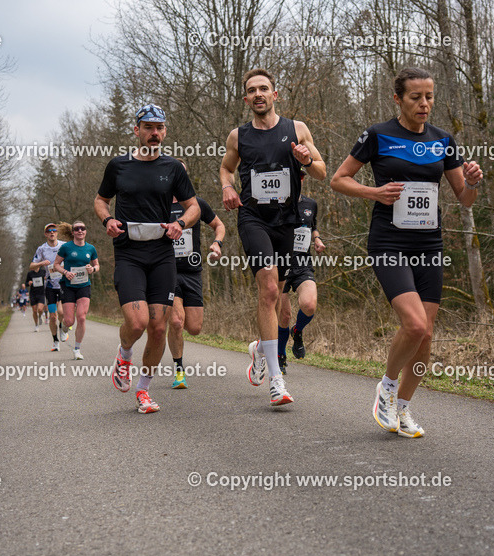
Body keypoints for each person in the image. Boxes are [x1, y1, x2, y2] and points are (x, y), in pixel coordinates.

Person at [331, 66, 483, 437]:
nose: (424, 104)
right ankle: (386, 386)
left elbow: (464, 199)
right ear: (398, 99)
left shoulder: (442, 140)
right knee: (413, 325)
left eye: (429, 96)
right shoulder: (378, 135)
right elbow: (338, 179)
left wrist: (475, 183)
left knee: (427, 334)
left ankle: (403, 408)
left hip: (429, 244)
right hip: (389, 242)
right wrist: (374, 193)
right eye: (416, 97)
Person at [220, 68, 326, 407]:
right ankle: (276, 381)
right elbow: (226, 167)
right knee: (268, 288)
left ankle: (259, 349)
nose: (258, 94)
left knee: (280, 289)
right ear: (246, 98)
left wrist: (307, 160)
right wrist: (227, 186)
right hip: (254, 219)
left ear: (275, 94)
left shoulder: (296, 129)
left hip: (289, 221)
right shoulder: (238, 136)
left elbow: (323, 171)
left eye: (264, 88)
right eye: (252, 90)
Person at [95, 104, 199, 413]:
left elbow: (193, 206)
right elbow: (101, 200)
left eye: (160, 128)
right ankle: (124, 354)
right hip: (129, 254)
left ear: (165, 131)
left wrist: (180, 223)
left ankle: (143, 391)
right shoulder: (118, 166)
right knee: (138, 323)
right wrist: (107, 220)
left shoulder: (173, 168)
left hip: (162, 254)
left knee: (158, 328)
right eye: (148, 127)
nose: (155, 133)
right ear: (137, 130)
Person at [167, 161, 225, 389]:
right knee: (176, 322)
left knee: (194, 327)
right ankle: (179, 370)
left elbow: (219, 225)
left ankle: (177, 352)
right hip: (167, 272)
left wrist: (217, 244)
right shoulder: (157, 205)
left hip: (192, 272)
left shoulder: (197, 205)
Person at [277, 186, 324, 374]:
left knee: (309, 304)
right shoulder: (276, 202)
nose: (300, 180)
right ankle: (280, 356)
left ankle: (297, 331)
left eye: (302, 176)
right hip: (279, 263)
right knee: (284, 315)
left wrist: (317, 239)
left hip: (303, 263)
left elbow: (313, 226)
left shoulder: (310, 204)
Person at [52, 221, 100, 360]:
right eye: (77, 229)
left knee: (82, 317)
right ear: (72, 232)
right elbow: (56, 265)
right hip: (68, 286)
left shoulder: (91, 248)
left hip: (84, 285)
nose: (80, 231)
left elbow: (97, 265)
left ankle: (77, 349)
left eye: (82, 228)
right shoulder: (66, 247)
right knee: (69, 321)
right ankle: (63, 327)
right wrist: (65, 272)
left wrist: (93, 269)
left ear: (86, 231)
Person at [30, 223, 65, 350]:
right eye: (49, 231)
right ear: (45, 234)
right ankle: (55, 340)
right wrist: (40, 263)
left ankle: (62, 326)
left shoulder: (64, 246)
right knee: (53, 316)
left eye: (54, 230)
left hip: (63, 284)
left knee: (61, 312)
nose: (52, 232)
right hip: (50, 286)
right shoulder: (42, 249)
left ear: (57, 233)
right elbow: (31, 266)